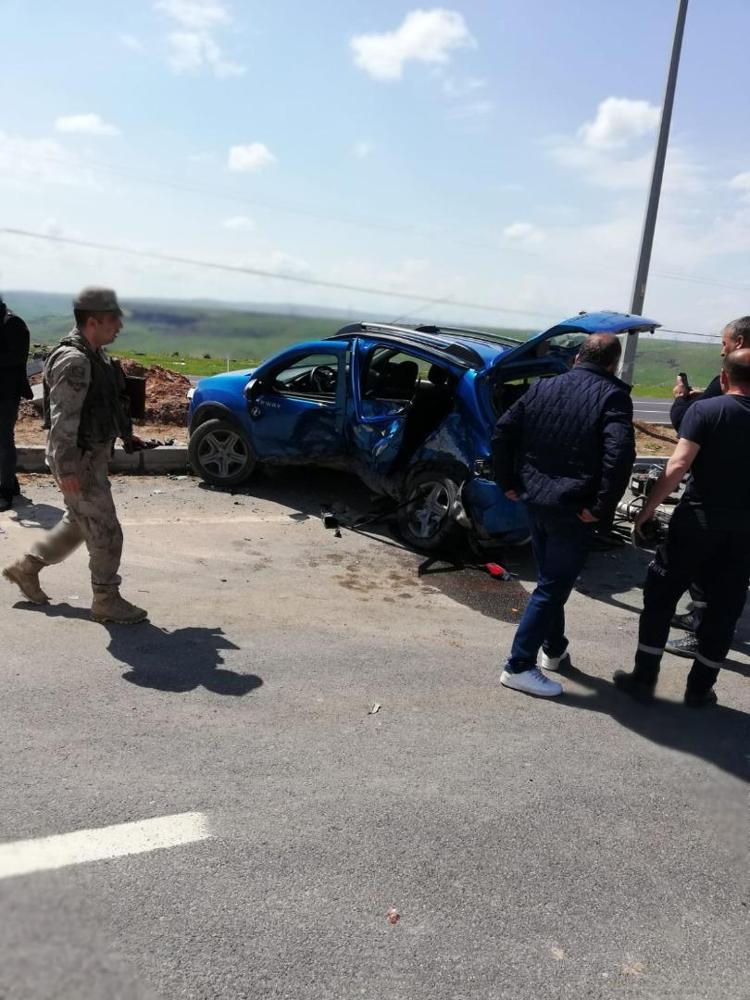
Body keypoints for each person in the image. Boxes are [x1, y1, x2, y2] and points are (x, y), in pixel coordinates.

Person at [492, 333, 636, 697]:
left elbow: (503, 430)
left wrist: (507, 480)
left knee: (549, 582)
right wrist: (601, 508)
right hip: (573, 509)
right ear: (613, 364)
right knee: (552, 587)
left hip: (536, 499)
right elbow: (619, 456)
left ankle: (553, 650)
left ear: (577, 358)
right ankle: (518, 666)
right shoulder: (613, 395)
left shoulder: (543, 387)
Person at [2, 287, 148, 624]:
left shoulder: (95, 355)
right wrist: (68, 470)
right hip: (78, 460)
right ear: (93, 322)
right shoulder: (75, 362)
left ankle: (26, 568)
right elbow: (63, 422)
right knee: (106, 530)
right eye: (114, 319)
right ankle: (106, 599)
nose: (120, 326)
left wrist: (126, 435)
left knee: (79, 523)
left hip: (88, 455)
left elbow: (104, 403)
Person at [615, 348, 750, 707]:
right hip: (742, 534)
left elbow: (678, 465)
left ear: (724, 378)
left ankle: (644, 678)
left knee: (660, 597)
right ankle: (700, 690)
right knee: (724, 611)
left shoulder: (707, 410)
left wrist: (646, 511)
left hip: (695, 524)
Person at [666, 316, 750, 658]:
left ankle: (702, 635)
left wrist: (681, 401)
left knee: (704, 570)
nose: (721, 350)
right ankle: (707, 634)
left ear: (739, 343)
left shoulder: (724, 383)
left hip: (711, 506)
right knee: (730, 577)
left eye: (724, 343)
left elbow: (684, 431)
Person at [0, 296, 33, 512]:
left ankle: (5, 492)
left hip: (6, 393)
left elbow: (18, 357)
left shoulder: (13, 323)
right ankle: (11, 484)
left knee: (4, 441)